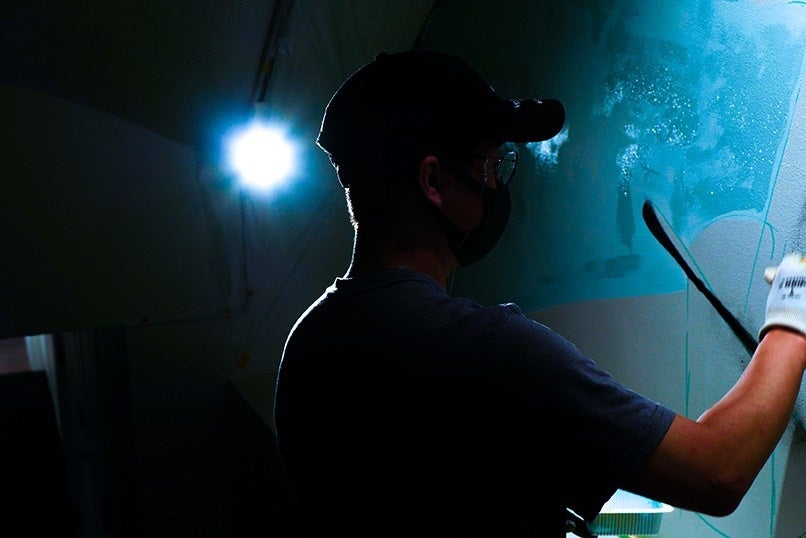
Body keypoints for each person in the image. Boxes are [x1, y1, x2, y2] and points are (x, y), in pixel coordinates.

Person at [273, 49, 806, 537]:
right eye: (489, 166)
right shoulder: (490, 350)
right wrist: (792, 306)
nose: (497, 186)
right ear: (433, 182)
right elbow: (716, 472)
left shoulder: (308, 345)